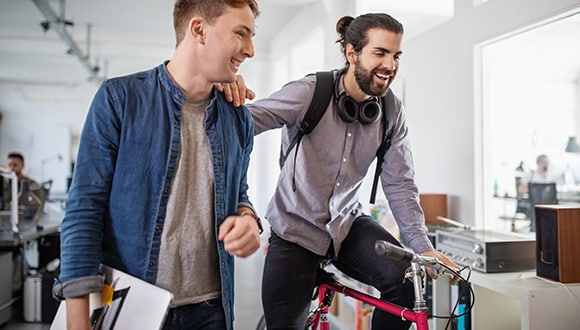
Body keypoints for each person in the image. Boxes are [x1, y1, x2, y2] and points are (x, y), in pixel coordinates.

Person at [223, 13, 460, 329]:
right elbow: (241, 124)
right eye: (380, 53)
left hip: (346, 225)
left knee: (405, 282)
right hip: (295, 228)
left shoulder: (391, 111)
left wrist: (423, 247)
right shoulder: (310, 92)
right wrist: (223, 91)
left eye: (396, 55)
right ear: (352, 53)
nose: (390, 64)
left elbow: (400, 183)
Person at [52, 1, 262, 329]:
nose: (249, 50)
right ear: (198, 30)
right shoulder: (120, 100)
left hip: (210, 312)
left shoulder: (237, 119)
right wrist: (77, 318)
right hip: (130, 304)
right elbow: (84, 209)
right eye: (241, 33)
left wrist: (248, 218)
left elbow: (239, 194)